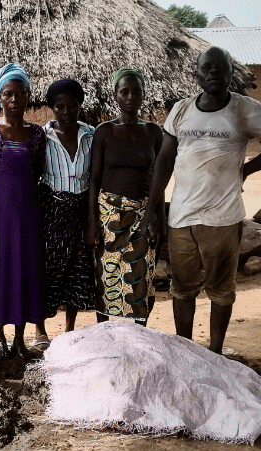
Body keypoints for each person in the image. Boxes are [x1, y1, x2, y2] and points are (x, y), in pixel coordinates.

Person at [141, 46, 261, 353]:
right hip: (182, 218)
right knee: (182, 290)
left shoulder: (244, 109)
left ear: (231, 73)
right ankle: (186, 352)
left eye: (220, 68)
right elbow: (164, 163)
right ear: (196, 74)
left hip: (223, 219)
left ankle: (216, 353)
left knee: (221, 291)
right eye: (207, 68)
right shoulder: (181, 110)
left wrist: (245, 169)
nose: (214, 73)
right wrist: (151, 212)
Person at [0, 63, 47, 358]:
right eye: (8, 94)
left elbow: (38, 174)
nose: (14, 100)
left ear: (29, 96)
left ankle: (19, 340)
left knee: (24, 272)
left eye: (20, 94)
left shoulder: (37, 135)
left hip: (27, 216)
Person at [87, 68, 163, 326]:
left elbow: (158, 180)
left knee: (140, 281)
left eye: (136, 91)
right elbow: (94, 180)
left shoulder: (153, 132)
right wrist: (92, 222)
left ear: (143, 95)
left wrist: (157, 219)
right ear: (115, 96)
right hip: (110, 217)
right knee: (107, 280)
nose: (131, 96)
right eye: (124, 92)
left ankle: (137, 339)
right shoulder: (104, 132)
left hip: (143, 216)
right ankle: (106, 338)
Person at [32, 79, 96, 349]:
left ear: (81, 106)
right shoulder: (41, 137)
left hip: (81, 209)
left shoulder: (92, 135)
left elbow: (94, 177)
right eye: (60, 106)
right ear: (51, 108)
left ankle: (69, 329)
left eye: (73, 105)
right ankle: (40, 330)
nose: (67, 111)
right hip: (52, 208)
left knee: (77, 268)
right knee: (48, 269)